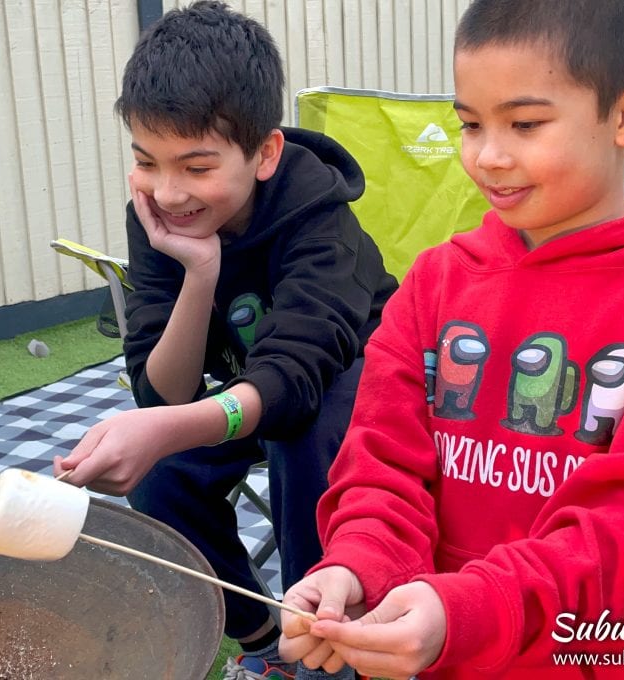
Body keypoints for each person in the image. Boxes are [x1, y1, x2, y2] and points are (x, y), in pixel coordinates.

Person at [277, 1, 624, 678]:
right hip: (445, 650)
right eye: (470, 124)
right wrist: (358, 562)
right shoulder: (433, 283)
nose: (488, 156)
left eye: (526, 123)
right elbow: (383, 466)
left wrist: (472, 608)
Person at [53, 2, 397, 678]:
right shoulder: (156, 216)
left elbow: (295, 380)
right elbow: (163, 390)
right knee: (159, 471)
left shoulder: (319, 220)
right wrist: (198, 271)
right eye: (146, 161)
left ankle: (322, 647)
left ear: (264, 152)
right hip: (253, 393)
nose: (170, 191)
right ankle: (263, 633)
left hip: (358, 386)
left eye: (197, 166)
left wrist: (176, 422)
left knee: (304, 437)